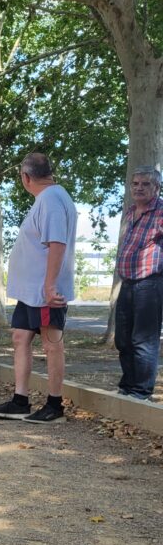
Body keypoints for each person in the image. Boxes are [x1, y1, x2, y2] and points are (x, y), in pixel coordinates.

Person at [0, 152, 77, 423]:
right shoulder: (46, 199)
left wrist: (50, 285)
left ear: (25, 178)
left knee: (52, 345)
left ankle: (55, 405)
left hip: (44, 291)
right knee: (19, 338)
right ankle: (20, 400)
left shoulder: (51, 199)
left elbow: (57, 243)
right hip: (30, 292)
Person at [114, 166, 163, 401]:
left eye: (145, 184)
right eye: (135, 184)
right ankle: (128, 386)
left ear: (156, 188)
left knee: (143, 340)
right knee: (123, 339)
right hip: (127, 283)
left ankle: (141, 392)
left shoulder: (161, 211)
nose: (139, 188)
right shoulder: (130, 211)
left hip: (150, 284)